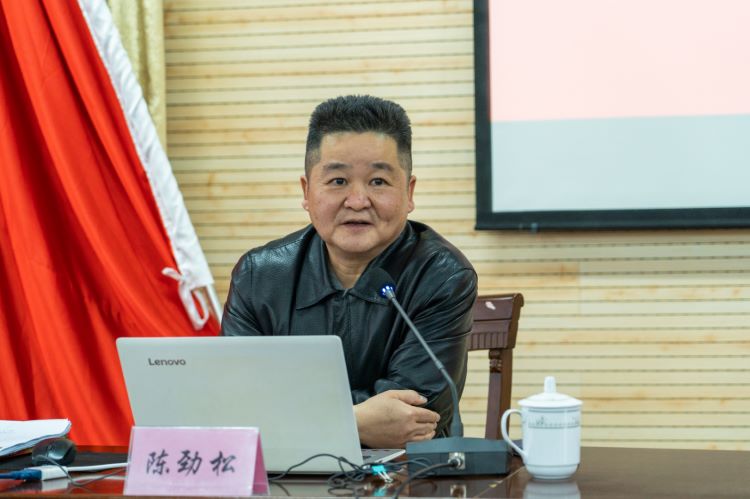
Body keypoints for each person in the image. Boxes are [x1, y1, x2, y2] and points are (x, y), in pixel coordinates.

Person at [221, 95, 477, 449]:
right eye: (338, 181)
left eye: (378, 182)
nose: (357, 201)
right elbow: (235, 403)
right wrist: (355, 421)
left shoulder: (442, 276)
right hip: (284, 470)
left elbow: (411, 416)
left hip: (407, 472)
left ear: (409, 193)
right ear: (307, 191)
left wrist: (287, 417)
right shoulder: (258, 276)